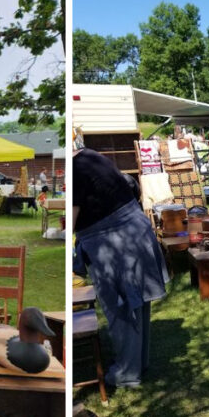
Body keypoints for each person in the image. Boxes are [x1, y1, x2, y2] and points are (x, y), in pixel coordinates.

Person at [73, 148, 167, 388]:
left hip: (115, 242)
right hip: (134, 232)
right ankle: (138, 363)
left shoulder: (76, 169)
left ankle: (127, 372)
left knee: (122, 308)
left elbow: (71, 220)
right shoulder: (91, 156)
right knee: (137, 305)